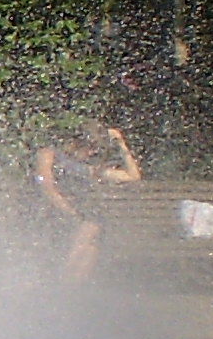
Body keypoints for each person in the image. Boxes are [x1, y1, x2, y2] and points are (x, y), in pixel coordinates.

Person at [34, 119, 142, 284]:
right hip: (54, 215)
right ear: (78, 142)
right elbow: (47, 188)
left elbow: (133, 176)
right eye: (90, 148)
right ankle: (63, 282)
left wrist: (121, 143)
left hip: (80, 218)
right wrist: (71, 214)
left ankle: (71, 287)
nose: (92, 153)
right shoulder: (50, 154)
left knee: (92, 234)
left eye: (95, 150)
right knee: (88, 229)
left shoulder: (89, 168)